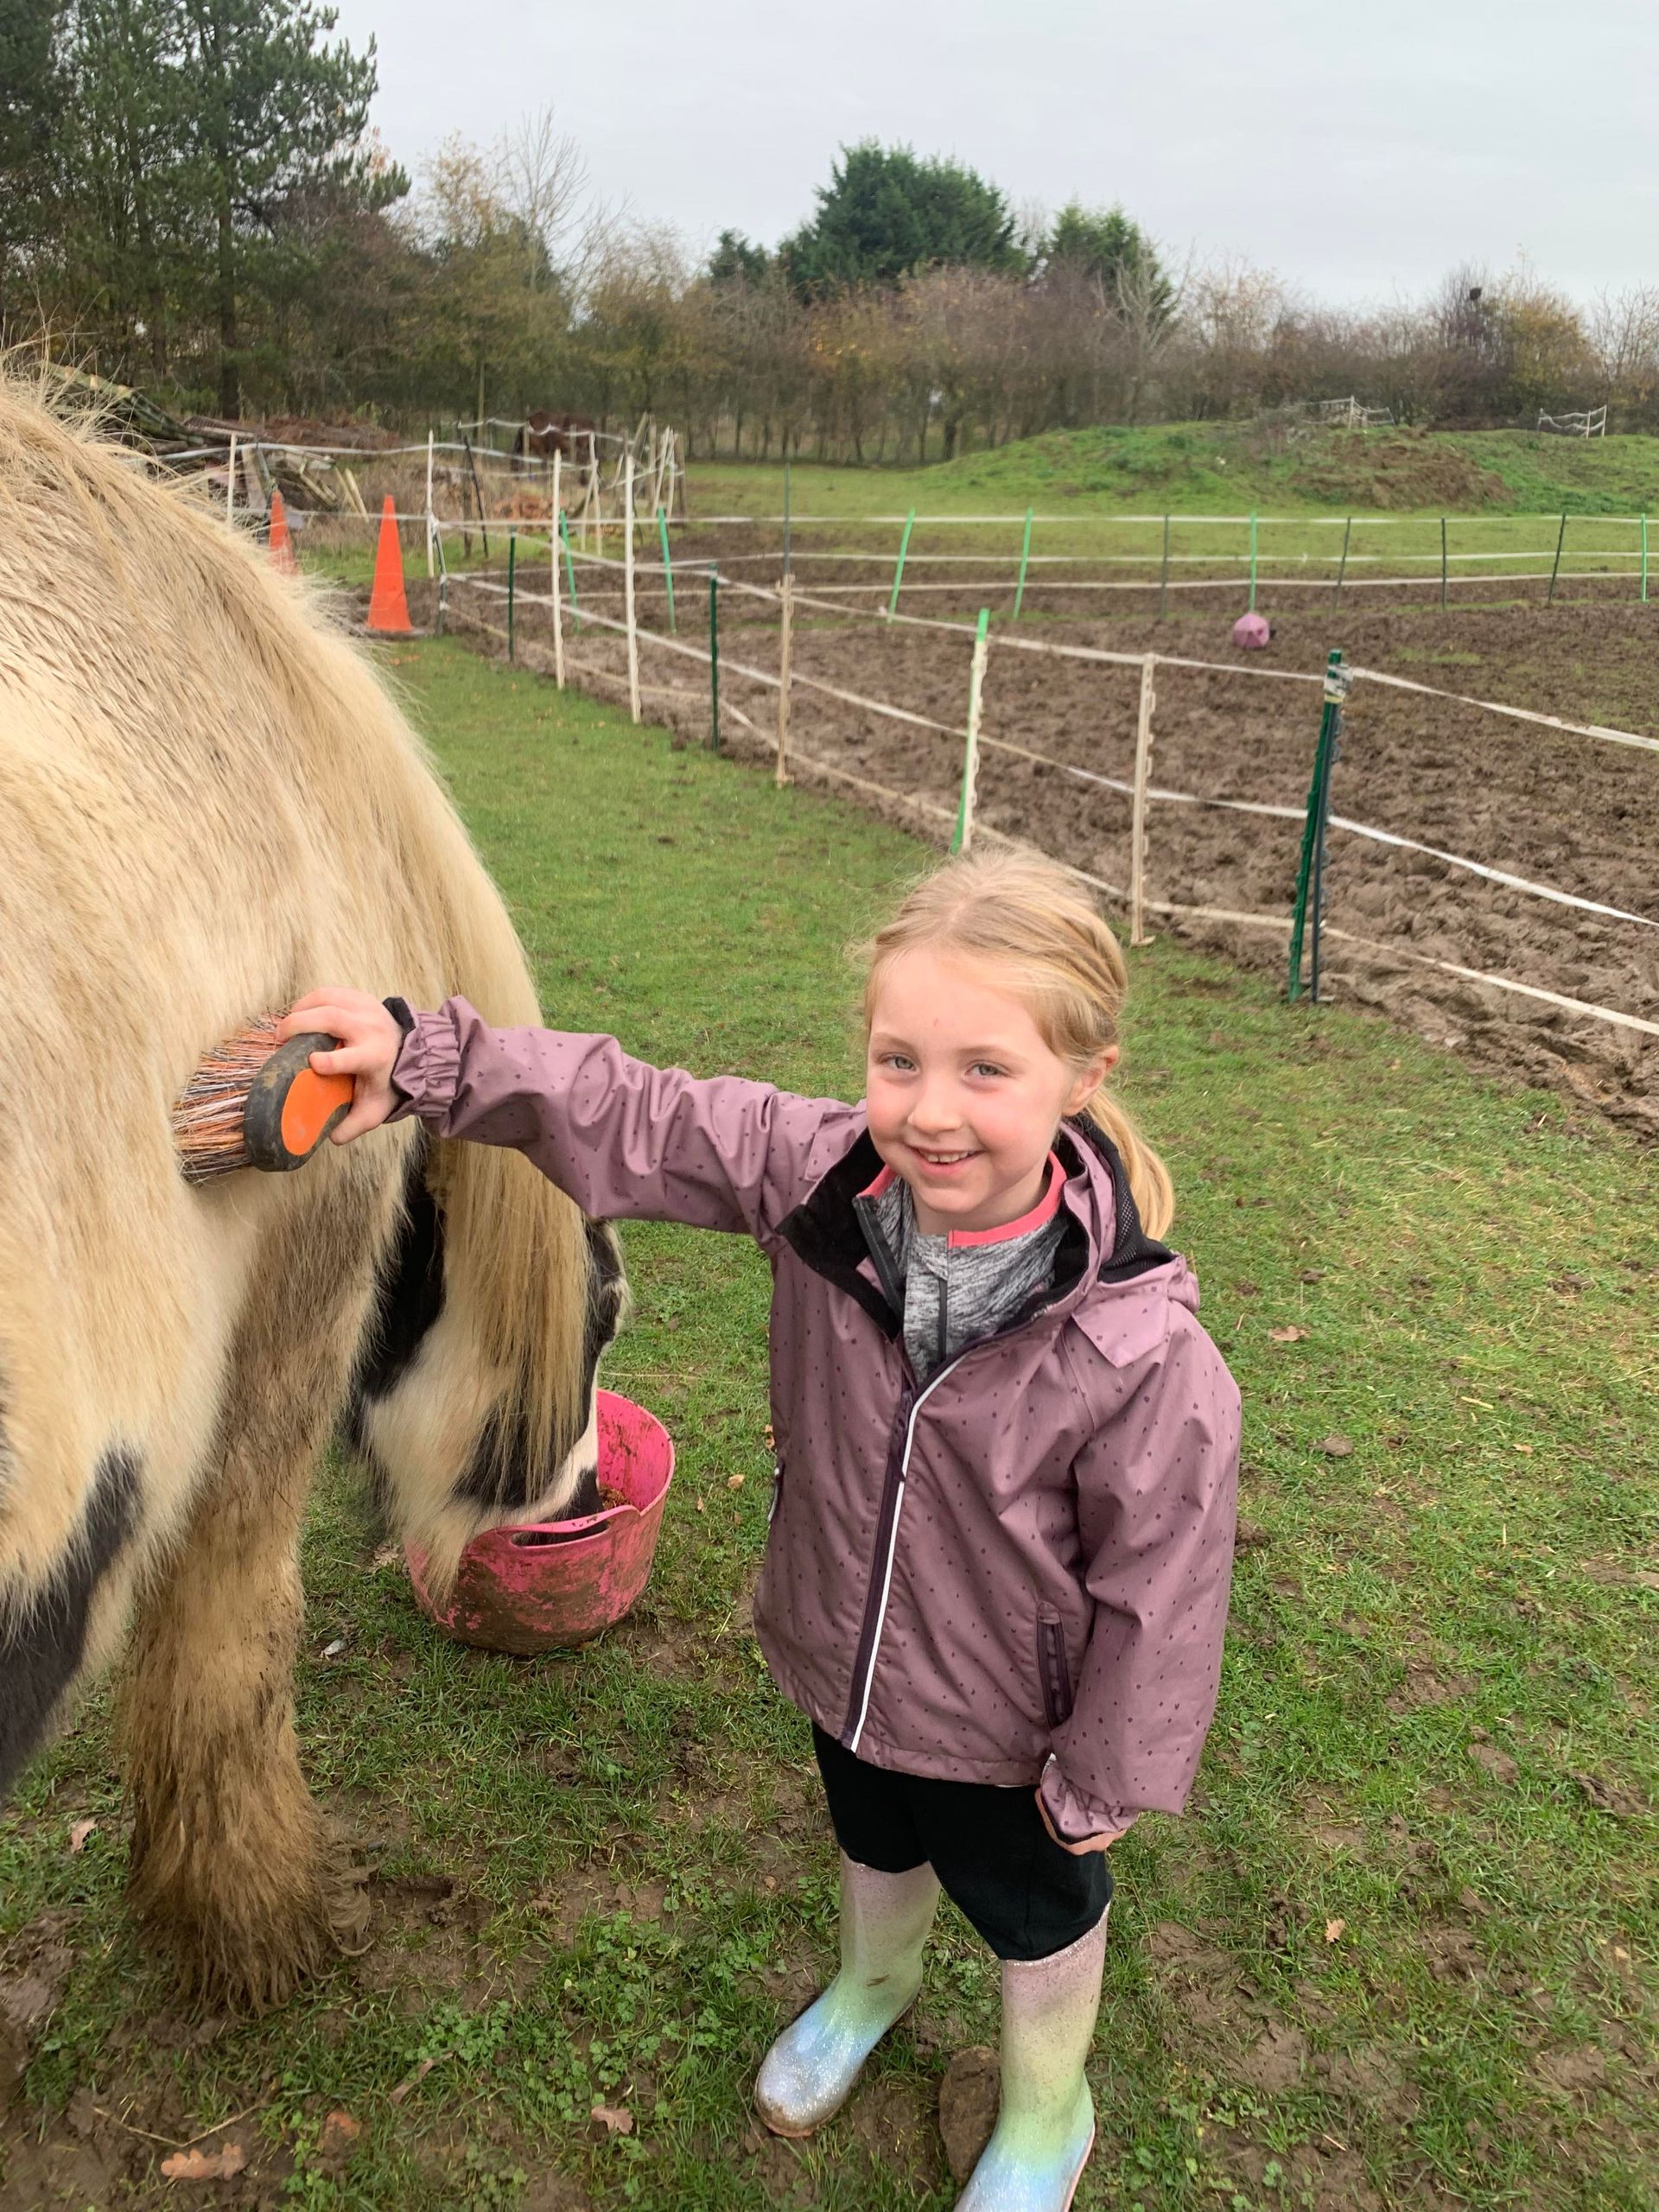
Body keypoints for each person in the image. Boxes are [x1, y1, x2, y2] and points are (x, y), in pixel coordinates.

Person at [283, 849, 1240, 2212]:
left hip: (1012, 1737)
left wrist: (1101, 1778)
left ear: (1084, 1077)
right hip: (841, 1660)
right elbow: (639, 1112)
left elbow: (1166, 1590)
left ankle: (1046, 2109)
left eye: (986, 1069)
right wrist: (431, 1061)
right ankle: (871, 1986)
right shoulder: (819, 1179)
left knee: (1034, 1919)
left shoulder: (1143, 1354)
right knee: (874, 1845)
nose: (930, 1112)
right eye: (898, 1061)